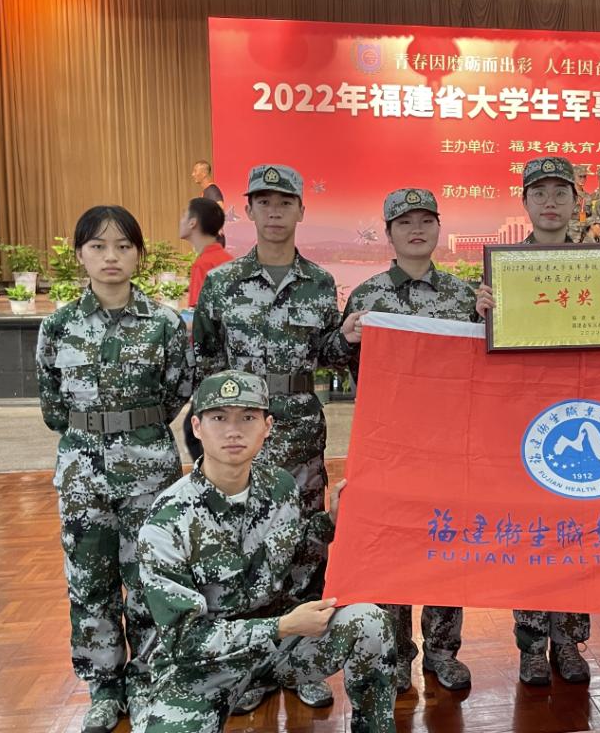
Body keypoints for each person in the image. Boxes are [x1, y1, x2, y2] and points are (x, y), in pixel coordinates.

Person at [134, 370, 395, 733]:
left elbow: (294, 550)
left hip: (279, 646)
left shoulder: (279, 486)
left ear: (267, 427)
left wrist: (332, 522)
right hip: (204, 665)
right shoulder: (167, 521)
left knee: (369, 622)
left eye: (247, 417)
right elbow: (185, 640)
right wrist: (282, 626)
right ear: (196, 427)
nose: (233, 431)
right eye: (219, 418)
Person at [475, 156, 600, 686]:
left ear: (577, 201)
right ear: (524, 202)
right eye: (539, 193)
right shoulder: (503, 270)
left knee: (577, 532)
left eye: (560, 193)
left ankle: (569, 642)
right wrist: (479, 313)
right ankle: (531, 646)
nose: (550, 202)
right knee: (530, 533)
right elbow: (476, 356)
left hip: (583, 416)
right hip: (523, 422)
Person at [192, 164, 358, 710]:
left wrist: (347, 337)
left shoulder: (320, 282)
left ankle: (303, 663)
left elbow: (328, 355)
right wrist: (210, 438)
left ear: (301, 210)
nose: (274, 211)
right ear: (248, 211)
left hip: (302, 430)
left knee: (307, 545)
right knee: (243, 547)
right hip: (241, 436)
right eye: (263, 202)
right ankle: (251, 667)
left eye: (285, 202)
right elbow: (205, 364)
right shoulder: (223, 283)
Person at [35, 205, 193, 733]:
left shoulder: (164, 323)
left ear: (139, 255)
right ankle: (104, 686)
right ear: (80, 254)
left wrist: (135, 430)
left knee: (149, 576)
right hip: (82, 474)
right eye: (98, 246)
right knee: (90, 581)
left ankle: (147, 680)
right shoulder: (59, 325)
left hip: (149, 473)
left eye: (123, 246)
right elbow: (53, 407)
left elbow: (178, 391)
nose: (111, 257)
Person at [340, 188, 476, 694]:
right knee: (393, 549)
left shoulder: (466, 297)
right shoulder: (367, 296)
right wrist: (345, 337)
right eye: (404, 223)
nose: (416, 230)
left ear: (438, 228)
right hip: (389, 447)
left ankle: (442, 652)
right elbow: (342, 362)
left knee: (446, 545)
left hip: (450, 445)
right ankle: (396, 656)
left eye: (425, 221)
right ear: (389, 233)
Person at [179, 197, 233, 461]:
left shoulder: (204, 264)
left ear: (193, 222)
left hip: (212, 364)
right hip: (230, 360)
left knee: (196, 432)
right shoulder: (227, 259)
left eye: (183, 215)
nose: (180, 221)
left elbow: (200, 321)